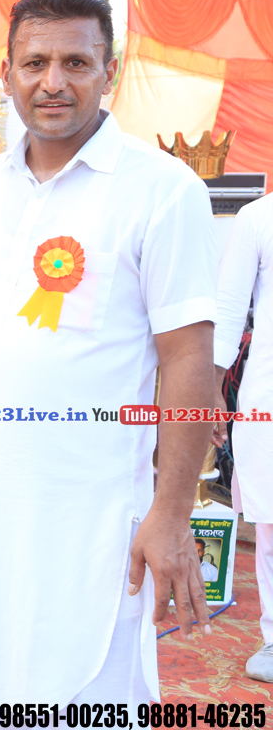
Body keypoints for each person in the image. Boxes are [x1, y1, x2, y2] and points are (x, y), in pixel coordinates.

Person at [0, 0, 217, 705]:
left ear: (108, 71)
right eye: (35, 63)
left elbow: (188, 358)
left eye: (75, 63)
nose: (52, 82)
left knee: (87, 695)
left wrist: (172, 513)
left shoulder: (163, 189)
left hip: (90, 517)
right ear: (6, 73)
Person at [215, 190, 273, 681]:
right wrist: (212, 387)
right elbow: (229, 310)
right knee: (272, 520)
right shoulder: (258, 218)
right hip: (269, 391)